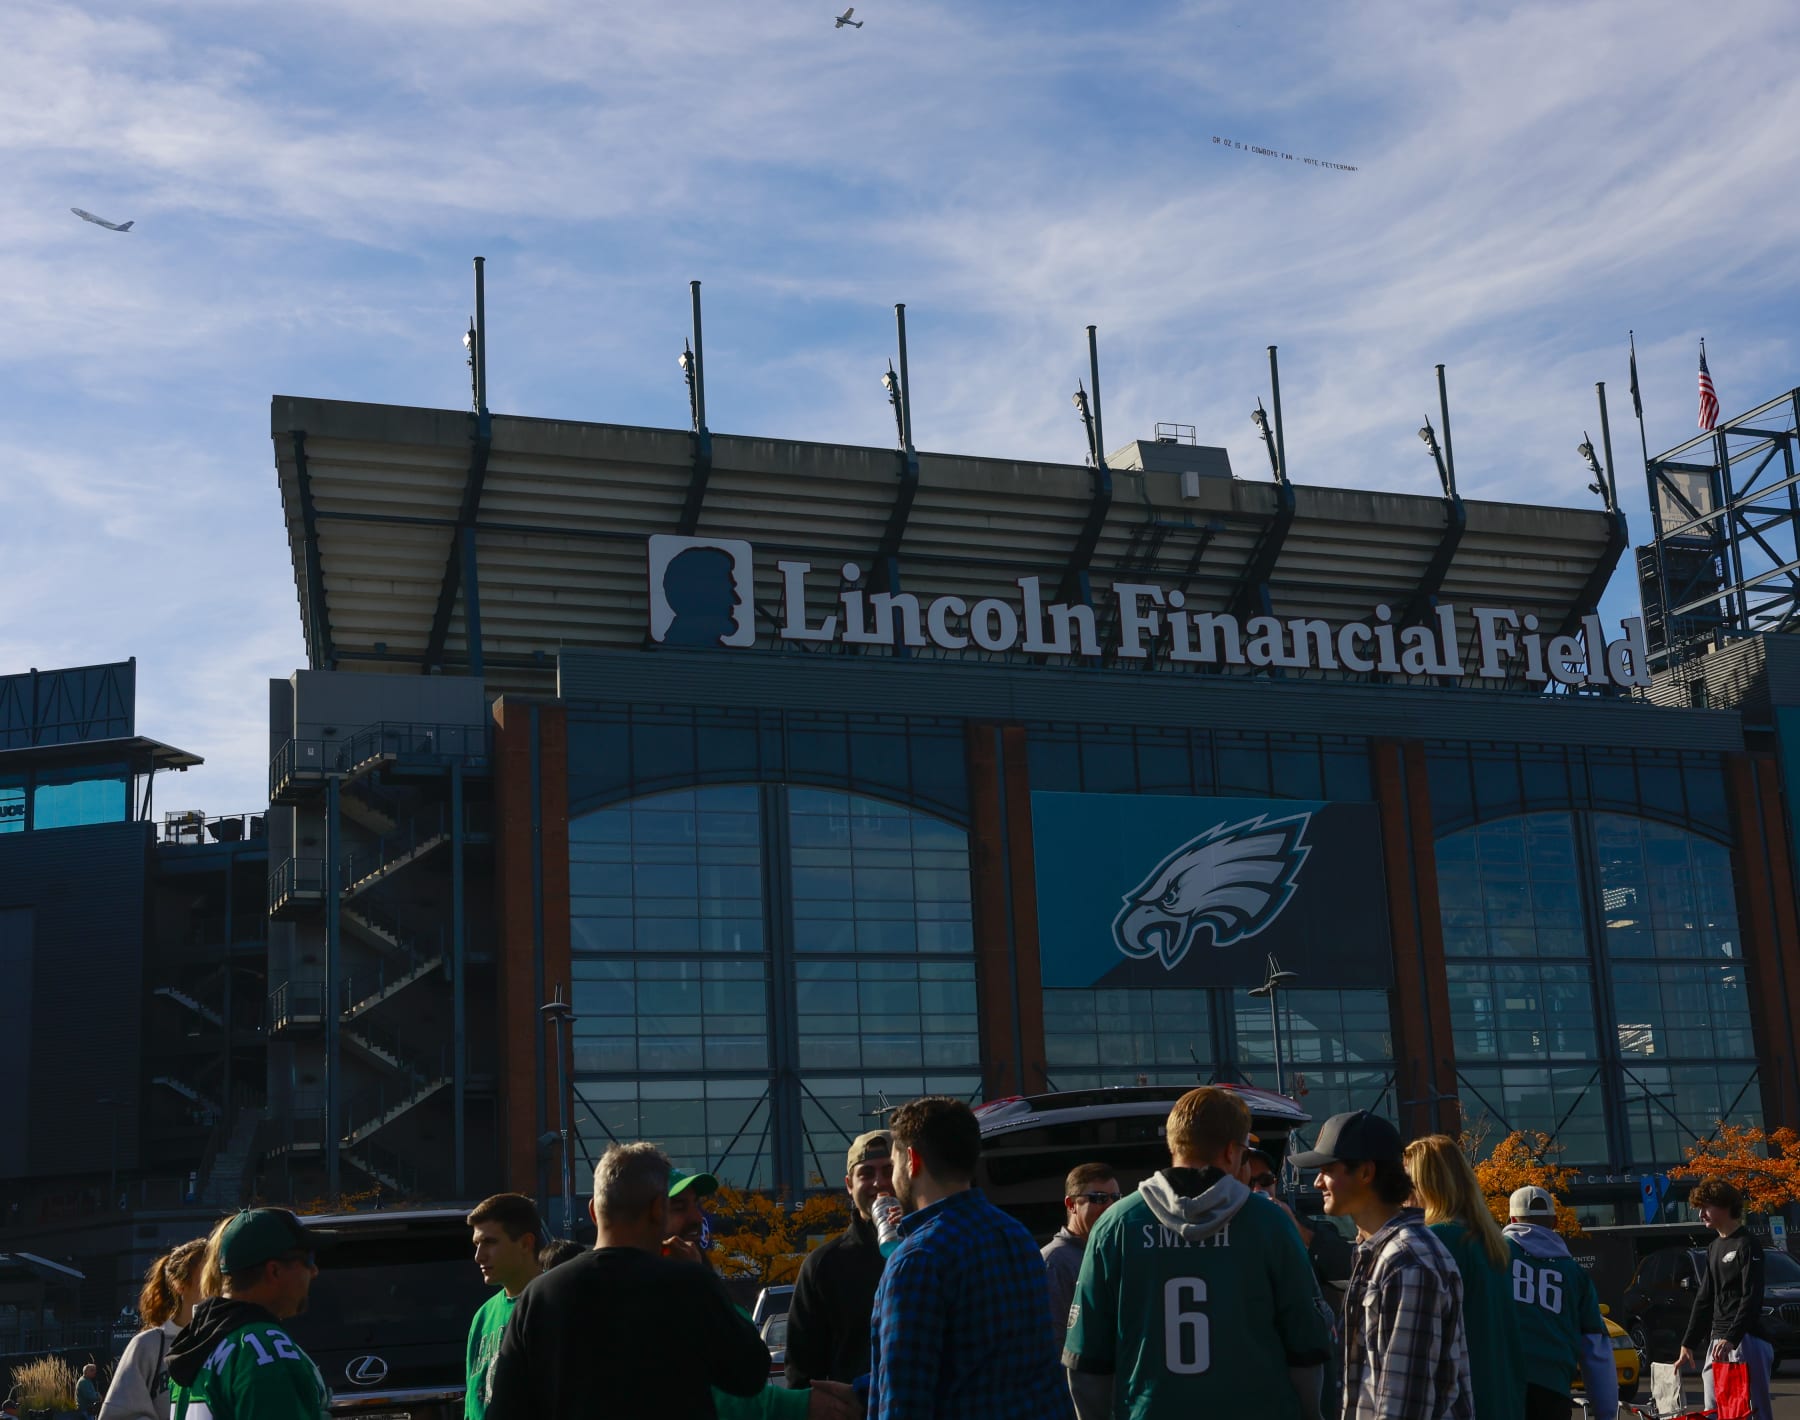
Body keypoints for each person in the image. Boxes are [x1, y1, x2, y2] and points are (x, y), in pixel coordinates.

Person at [1064, 1086, 1332, 1420]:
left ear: (1173, 1144)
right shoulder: (1270, 1223)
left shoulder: (1116, 1224)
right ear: (1233, 1152)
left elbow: (1086, 1364)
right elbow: (1307, 1350)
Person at [484, 1141, 770, 1420]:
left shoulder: (540, 1295)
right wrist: (704, 1281)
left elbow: (507, 1409)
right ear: (659, 1208)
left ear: (594, 1210)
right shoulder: (689, 1284)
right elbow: (750, 1375)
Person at [867, 1095, 1070, 1420]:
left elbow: (904, 1400)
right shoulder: (1017, 1236)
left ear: (912, 1160)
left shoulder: (917, 1260)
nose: (892, 1179)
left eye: (893, 1166)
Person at [1295, 1110, 1473, 1420]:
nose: (1317, 1182)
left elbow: (1403, 1405)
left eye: (1327, 1169)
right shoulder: (1380, 1252)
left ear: (1365, 1172)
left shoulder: (1407, 1260)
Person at [660, 1165, 860, 1420]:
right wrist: (807, 1405)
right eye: (678, 1207)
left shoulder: (697, 1285)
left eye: (695, 1205)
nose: (697, 1218)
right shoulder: (652, 1298)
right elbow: (717, 1396)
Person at [1404, 1134, 1527, 1420]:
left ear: (1428, 1186)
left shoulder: (1438, 1240)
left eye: (1408, 1183)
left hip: (1464, 1402)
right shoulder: (1491, 1244)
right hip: (1502, 1399)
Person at [167, 1208, 330, 1420]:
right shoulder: (265, 1350)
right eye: (308, 1259)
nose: (315, 1270)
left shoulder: (196, 1342)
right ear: (274, 1271)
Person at [787, 1131, 896, 1388]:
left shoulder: (933, 1249)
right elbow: (801, 1373)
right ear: (849, 1185)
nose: (879, 1183)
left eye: (889, 1170)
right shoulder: (823, 1265)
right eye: (866, 1173)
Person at [1503, 1186, 1617, 1420]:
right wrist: (1606, 1413)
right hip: (1552, 1390)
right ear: (1554, 1221)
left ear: (1512, 1219)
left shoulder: (1493, 1255)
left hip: (1500, 1385)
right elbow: (1596, 1349)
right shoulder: (1574, 1273)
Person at [1677, 1178, 1774, 1420]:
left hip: (1746, 1341)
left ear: (1725, 1205)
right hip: (1717, 1342)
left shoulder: (1747, 1244)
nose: (1701, 1214)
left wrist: (1733, 1338)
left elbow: (1751, 1296)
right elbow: (1704, 1298)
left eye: (1705, 1207)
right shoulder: (1713, 1248)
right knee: (1715, 1411)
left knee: (1750, 1412)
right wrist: (1688, 1343)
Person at [100, 1236, 209, 1420]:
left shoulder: (230, 1342)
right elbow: (116, 1416)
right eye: (207, 1275)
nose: (216, 1284)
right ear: (180, 1285)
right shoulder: (148, 1345)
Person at [464, 1193, 544, 1420]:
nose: (479, 1256)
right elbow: (472, 1405)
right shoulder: (483, 1315)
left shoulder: (557, 1304)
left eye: (490, 1242)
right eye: (476, 1244)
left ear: (526, 1243)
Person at [1042, 1163, 1120, 1351]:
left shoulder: (1115, 1253)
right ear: (1071, 1204)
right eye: (1098, 1198)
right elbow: (1053, 1343)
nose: (1110, 1206)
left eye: (1116, 1198)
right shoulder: (1053, 1262)